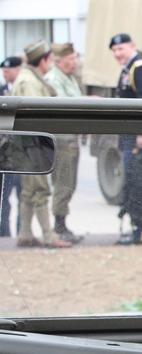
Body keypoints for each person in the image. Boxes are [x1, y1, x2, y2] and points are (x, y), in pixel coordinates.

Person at [11, 40, 71, 249]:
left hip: (27, 145)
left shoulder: (28, 78)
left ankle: (25, 233)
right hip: (32, 145)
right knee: (39, 190)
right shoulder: (30, 82)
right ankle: (48, 235)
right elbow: (34, 116)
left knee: (29, 191)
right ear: (43, 60)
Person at [110, 32, 142, 244]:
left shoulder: (139, 68)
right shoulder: (128, 69)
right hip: (130, 137)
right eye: (114, 51)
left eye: (120, 49)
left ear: (132, 46)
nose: (117, 53)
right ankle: (138, 230)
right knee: (134, 185)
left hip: (139, 139)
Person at [43, 42, 84, 243]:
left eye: (76, 57)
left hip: (70, 139)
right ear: (58, 61)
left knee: (69, 184)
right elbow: (65, 105)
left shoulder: (68, 78)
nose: (75, 62)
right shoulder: (53, 79)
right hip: (62, 140)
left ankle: (62, 224)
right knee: (63, 184)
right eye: (71, 59)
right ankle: (59, 226)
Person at [0, 56, 22, 238]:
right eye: (3, 71)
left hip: (22, 154)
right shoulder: (1, 91)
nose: (5, 74)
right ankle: (4, 234)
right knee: (3, 198)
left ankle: (22, 231)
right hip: (5, 155)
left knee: (25, 197)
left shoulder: (23, 89)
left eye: (8, 70)